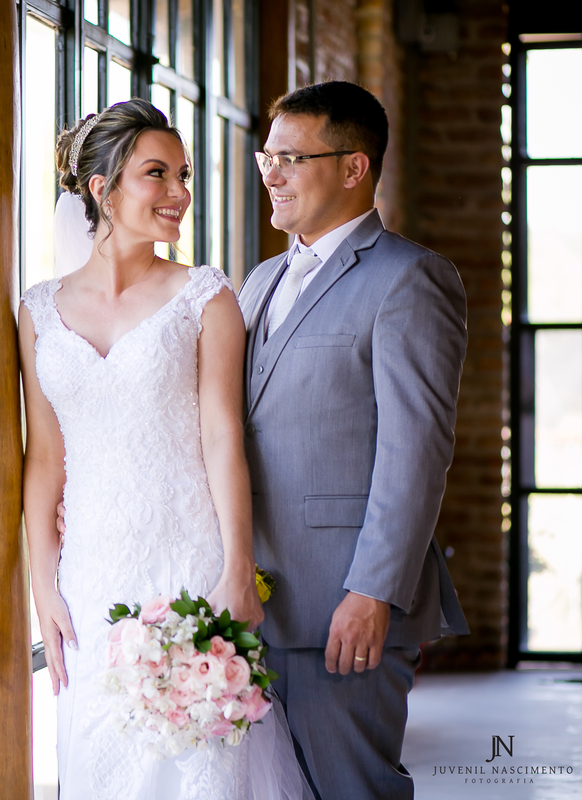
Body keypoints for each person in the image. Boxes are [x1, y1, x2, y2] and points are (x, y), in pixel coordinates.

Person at [20, 98, 311, 800]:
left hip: (188, 560)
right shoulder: (38, 310)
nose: (179, 191)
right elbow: (45, 455)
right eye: (158, 173)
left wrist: (236, 569)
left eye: (183, 174)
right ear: (103, 188)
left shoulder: (205, 297)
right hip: (90, 574)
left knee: (198, 762)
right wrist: (44, 583)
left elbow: (223, 438)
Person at [239, 81, 470, 800]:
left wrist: (372, 590)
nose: (272, 174)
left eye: (291, 158)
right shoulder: (259, 282)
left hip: (344, 606)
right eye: (266, 158)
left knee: (350, 789)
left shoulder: (410, 279)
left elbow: (416, 454)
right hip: (251, 601)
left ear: (353, 167)